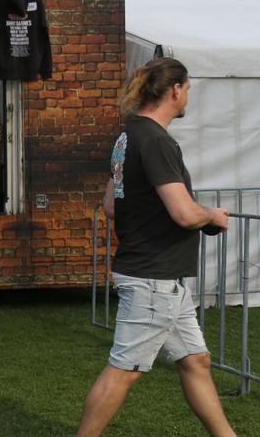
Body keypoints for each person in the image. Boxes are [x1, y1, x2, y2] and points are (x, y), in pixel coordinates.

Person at [76, 58, 235, 437]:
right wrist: (212, 215)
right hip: (153, 279)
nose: (187, 98)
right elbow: (183, 213)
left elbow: (112, 205)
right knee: (124, 371)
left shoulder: (127, 136)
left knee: (195, 361)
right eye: (188, 90)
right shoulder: (158, 141)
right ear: (175, 90)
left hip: (159, 277)